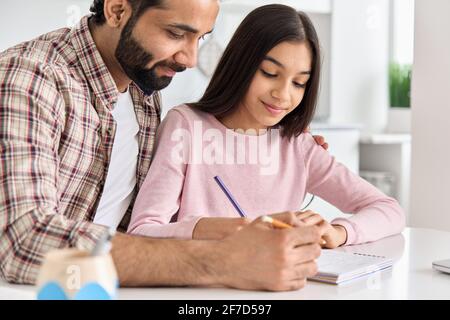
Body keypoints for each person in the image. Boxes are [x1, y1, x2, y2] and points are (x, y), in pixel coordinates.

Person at [0, 0, 328, 291]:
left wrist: (273, 139)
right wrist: (222, 260)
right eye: (175, 33)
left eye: (201, 38)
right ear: (117, 10)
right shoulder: (28, 79)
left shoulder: (144, 92)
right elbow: (25, 241)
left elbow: (149, 219)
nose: (189, 59)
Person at [128, 5, 406, 248]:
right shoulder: (186, 128)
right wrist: (211, 229)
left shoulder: (298, 146)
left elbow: (388, 210)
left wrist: (340, 232)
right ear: (242, 65)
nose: (283, 95)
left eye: (299, 83)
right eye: (270, 74)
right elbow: (142, 232)